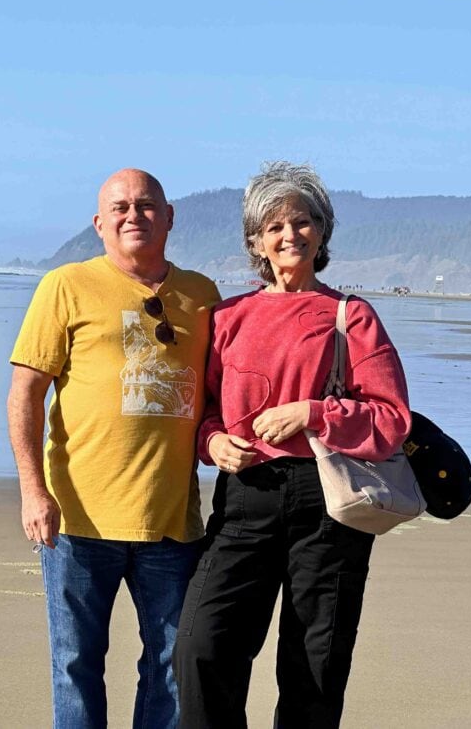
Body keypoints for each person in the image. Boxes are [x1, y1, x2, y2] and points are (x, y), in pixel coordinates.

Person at [172, 162, 412, 728]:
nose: (290, 235)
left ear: (322, 231)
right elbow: (206, 412)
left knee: (314, 668)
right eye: (274, 226)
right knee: (201, 649)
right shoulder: (229, 316)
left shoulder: (350, 317)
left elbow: (392, 419)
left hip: (329, 503)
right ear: (256, 241)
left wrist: (314, 413)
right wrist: (213, 443)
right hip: (244, 498)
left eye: (302, 222)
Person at [7, 168, 221, 728]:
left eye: (147, 205)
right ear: (99, 223)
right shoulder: (66, 285)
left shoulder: (202, 295)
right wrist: (33, 490)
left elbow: (227, 393)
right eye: (120, 207)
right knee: (76, 665)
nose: (134, 216)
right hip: (78, 521)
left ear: (169, 218)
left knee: (173, 665)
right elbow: (26, 391)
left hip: (171, 521)